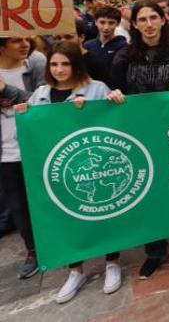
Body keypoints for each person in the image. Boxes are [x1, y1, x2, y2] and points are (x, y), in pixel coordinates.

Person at [16, 42, 119, 303]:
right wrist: (25, 115)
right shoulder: (39, 94)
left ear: (76, 65)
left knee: (105, 211)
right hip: (62, 170)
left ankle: (112, 262)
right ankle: (75, 270)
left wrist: (108, 104)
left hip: (95, 169)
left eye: (65, 64)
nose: (60, 70)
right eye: (54, 64)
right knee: (67, 216)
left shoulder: (96, 89)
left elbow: (116, 123)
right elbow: (29, 135)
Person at [108, 0, 169, 279]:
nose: (148, 24)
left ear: (163, 19)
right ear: (134, 24)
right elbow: (115, 91)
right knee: (148, 191)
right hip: (140, 136)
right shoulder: (124, 57)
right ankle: (155, 250)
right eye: (142, 19)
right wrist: (114, 95)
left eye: (153, 17)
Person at [0, 37, 45, 279]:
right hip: (6, 153)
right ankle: (32, 251)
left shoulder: (36, 63)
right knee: (18, 206)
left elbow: (43, 101)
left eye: (26, 38)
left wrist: (6, 91)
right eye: (16, 40)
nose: (24, 44)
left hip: (37, 148)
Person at [84, 6, 128, 76]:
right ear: (95, 22)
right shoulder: (87, 45)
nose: (106, 27)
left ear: (118, 23)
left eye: (111, 23)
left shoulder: (124, 46)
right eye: (102, 22)